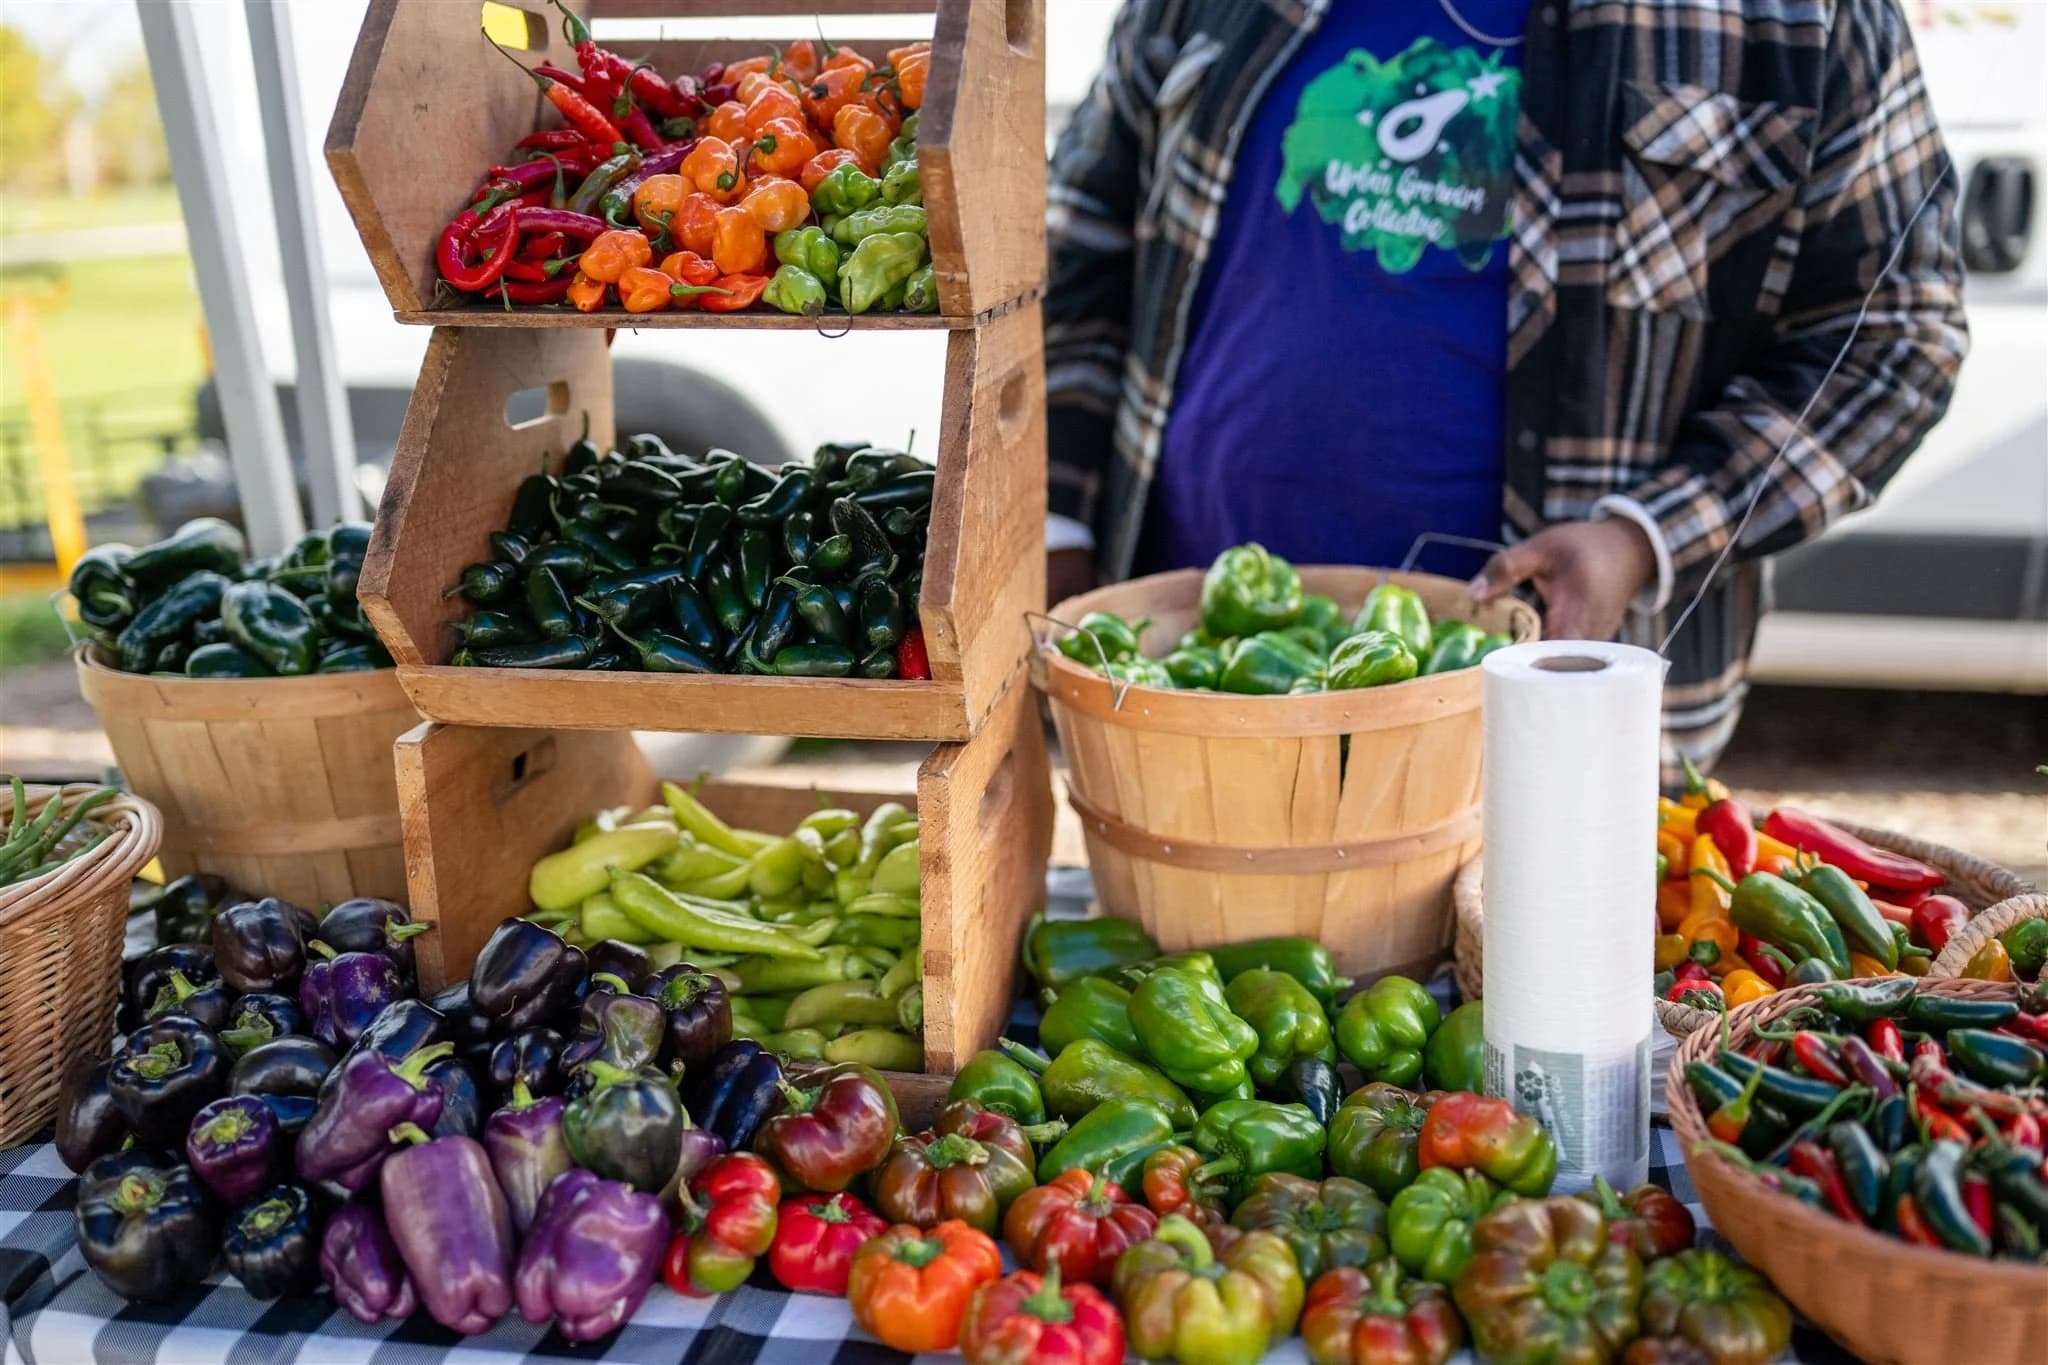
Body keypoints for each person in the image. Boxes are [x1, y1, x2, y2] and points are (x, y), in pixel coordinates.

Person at [1044, 0, 1966, 777]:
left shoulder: (1797, 18)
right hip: (1186, 689)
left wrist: (1646, 536)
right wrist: (1056, 525)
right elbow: (1076, 246)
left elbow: (1894, 338)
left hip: (1544, 734)